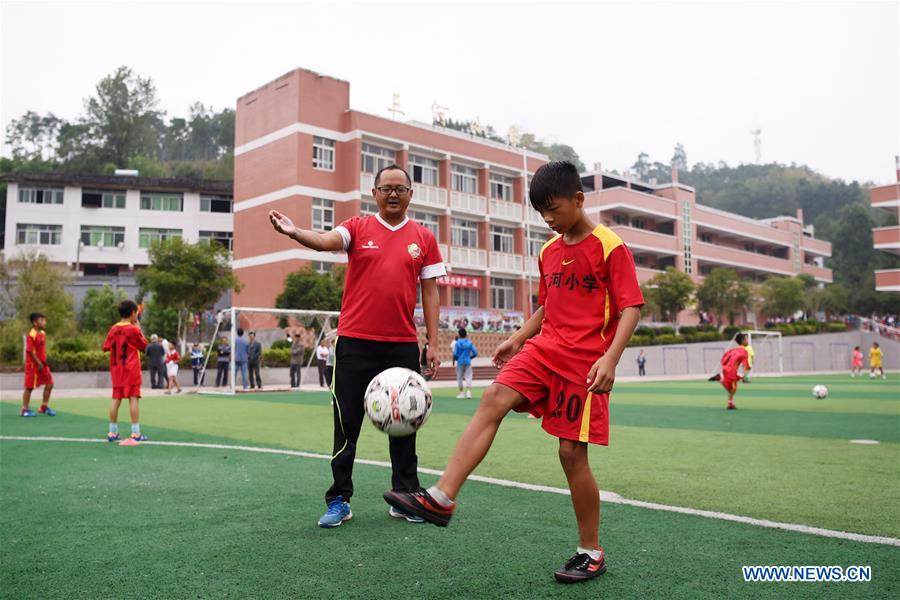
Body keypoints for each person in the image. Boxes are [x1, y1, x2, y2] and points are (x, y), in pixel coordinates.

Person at [383, 161, 644, 584]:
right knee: (493, 397)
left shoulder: (610, 246)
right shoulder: (548, 251)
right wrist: (518, 337)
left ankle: (590, 551)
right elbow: (548, 304)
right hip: (544, 350)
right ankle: (442, 497)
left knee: (571, 454)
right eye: (541, 211)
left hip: (585, 362)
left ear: (578, 200)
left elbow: (631, 306)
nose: (548, 219)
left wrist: (611, 358)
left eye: (553, 209)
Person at [269, 163, 444, 529]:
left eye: (401, 188)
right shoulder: (356, 228)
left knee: (404, 424)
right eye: (387, 188)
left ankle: (405, 497)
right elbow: (327, 241)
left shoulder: (424, 238)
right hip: (355, 343)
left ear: (411, 195)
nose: (393, 194)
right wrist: (296, 232)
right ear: (374, 193)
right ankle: (339, 499)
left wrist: (432, 343)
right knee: (346, 426)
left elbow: (430, 291)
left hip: (401, 346)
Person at [103, 300, 149, 442]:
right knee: (133, 398)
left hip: (117, 369)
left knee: (116, 399)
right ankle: (135, 433)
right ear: (132, 313)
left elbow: (106, 346)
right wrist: (139, 328)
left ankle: (112, 432)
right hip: (131, 369)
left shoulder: (113, 329)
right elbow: (144, 345)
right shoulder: (133, 329)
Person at [21, 312, 56, 417]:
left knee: (50, 384)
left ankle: (44, 407)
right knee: (29, 387)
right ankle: (24, 409)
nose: (44, 322)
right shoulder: (31, 335)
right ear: (35, 323)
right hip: (33, 365)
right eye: (42, 320)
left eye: (44, 320)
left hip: (42, 364)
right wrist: (38, 362)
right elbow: (30, 351)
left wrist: (43, 361)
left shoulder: (43, 333)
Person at [709, 333, 751, 410]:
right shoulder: (744, 351)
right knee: (733, 388)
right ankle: (720, 380)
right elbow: (745, 365)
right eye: (746, 339)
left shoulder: (732, 350)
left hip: (726, 369)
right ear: (743, 341)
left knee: (732, 387)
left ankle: (730, 403)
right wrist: (745, 376)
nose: (747, 340)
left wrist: (725, 367)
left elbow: (723, 359)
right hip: (732, 371)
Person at [453, 328, 478, 399]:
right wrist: (470, 357)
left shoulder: (457, 343)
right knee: (468, 376)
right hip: (468, 361)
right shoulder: (469, 343)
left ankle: (461, 393)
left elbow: (455, 354)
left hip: (460, 362)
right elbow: (475, 352)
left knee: (459, 377)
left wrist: (457, 359)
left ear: (459, 334)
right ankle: (469, 392)